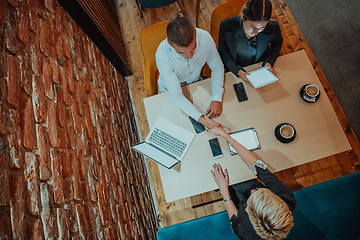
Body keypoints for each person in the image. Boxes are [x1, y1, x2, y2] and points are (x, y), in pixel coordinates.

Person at [209, 126, 295, 240]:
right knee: (235, 177)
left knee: (225, 186)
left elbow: (234, 219)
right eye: (259, 192)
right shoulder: (285, 198)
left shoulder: (248, 235)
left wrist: (224, 190)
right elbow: (257, 166)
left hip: (235, 204)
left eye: (251, 199)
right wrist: (226, 136)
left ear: (250, 214)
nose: (253, 191)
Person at [156, 17, 225, 130]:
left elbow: (217, 67)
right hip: (170, 92)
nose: (190, 56)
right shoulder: (162, 54)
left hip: (195, 83)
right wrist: (202, 120)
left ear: (195, 34)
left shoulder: (205, 38)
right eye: (182, 53)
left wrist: (217, 97)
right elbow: (176, 95)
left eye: (193, 48)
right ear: (170, 43)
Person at [218, 0, 283, 82]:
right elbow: (223, 51)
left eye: (262, 27)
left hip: (259, 66)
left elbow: (277, 43)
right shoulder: (226, 25)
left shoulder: (273, 27)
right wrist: (237, 70)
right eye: (252, 26)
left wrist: (269, 62)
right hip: (234, 68)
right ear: (242, 16)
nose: (256, 32)